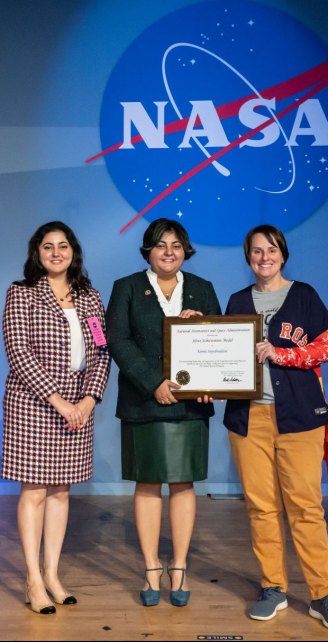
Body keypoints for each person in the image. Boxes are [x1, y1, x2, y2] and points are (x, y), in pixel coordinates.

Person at [223, 224, 328, 632]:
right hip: (249, 419)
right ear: (248, 257)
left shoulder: (304, 295)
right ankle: (273, 588)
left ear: (284, 254)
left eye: (272, 250)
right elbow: (220, 355)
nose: (265, 258)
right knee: (261, 507)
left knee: (306, 508)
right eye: (257, 251)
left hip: (299, 418)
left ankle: (322, 595)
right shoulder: (237, 301)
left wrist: (282, 354)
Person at [105, 218, 221, 607]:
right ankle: (152, 566)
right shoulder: (126, 288)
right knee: (148, 483)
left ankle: (181, 566)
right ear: (148, 251)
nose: (168, 252)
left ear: (185, 250)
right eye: (160, 245)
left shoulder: (202, 289)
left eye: (175, 244)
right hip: (143, 401)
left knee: (184, 484)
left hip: (190, 405)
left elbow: (219, 341)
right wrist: (153, 381)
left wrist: (204, 326)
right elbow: (118, 342)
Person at [1, 221, 110, 615]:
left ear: (73, 252)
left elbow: (102, 353)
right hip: (34, 406)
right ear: (37, 253)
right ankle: (32, 580)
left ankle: (52, 575)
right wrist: (61, 402)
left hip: (79, 408)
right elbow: (19, 353)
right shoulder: (22, 294)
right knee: (35, 490)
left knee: (61, 491)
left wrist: (89, 400)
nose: (56, 252)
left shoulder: (91, 298)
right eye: (48, 247)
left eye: (63, 246)